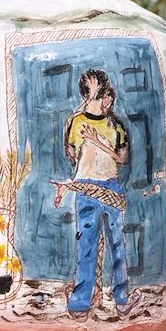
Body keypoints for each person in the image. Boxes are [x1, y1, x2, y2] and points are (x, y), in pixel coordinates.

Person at [50, 69, 134, 316]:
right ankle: (80, 302)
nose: (106, 101)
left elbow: (122, 157)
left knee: (117, 244)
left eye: (105, 94)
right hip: (86, 188)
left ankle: (122, 297)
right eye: (100, 94)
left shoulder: (116, 125)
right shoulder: (75, 123)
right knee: (86, 245)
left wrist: (98, 143)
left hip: (111, 187)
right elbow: (72, 154)